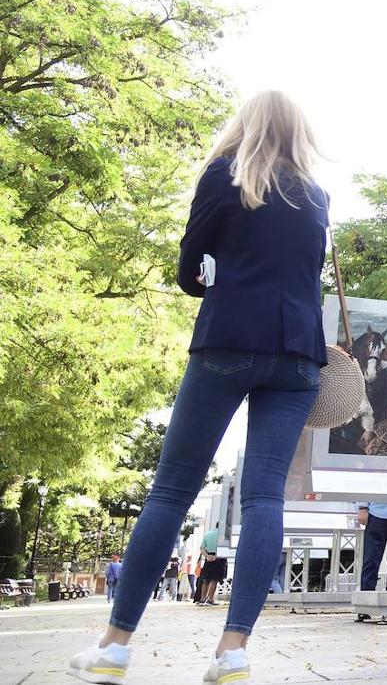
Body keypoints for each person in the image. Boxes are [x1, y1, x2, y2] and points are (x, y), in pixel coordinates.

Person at [70, 91, 330, 685]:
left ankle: (115, 645)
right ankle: (232, 651)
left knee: (171, 492)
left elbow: (189, 267)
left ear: (247, 125)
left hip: (229, 343)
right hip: (297, 359)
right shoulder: (317, 195)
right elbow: (306, 273)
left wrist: (213, 274)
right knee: (266, 499)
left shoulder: (225, 174)